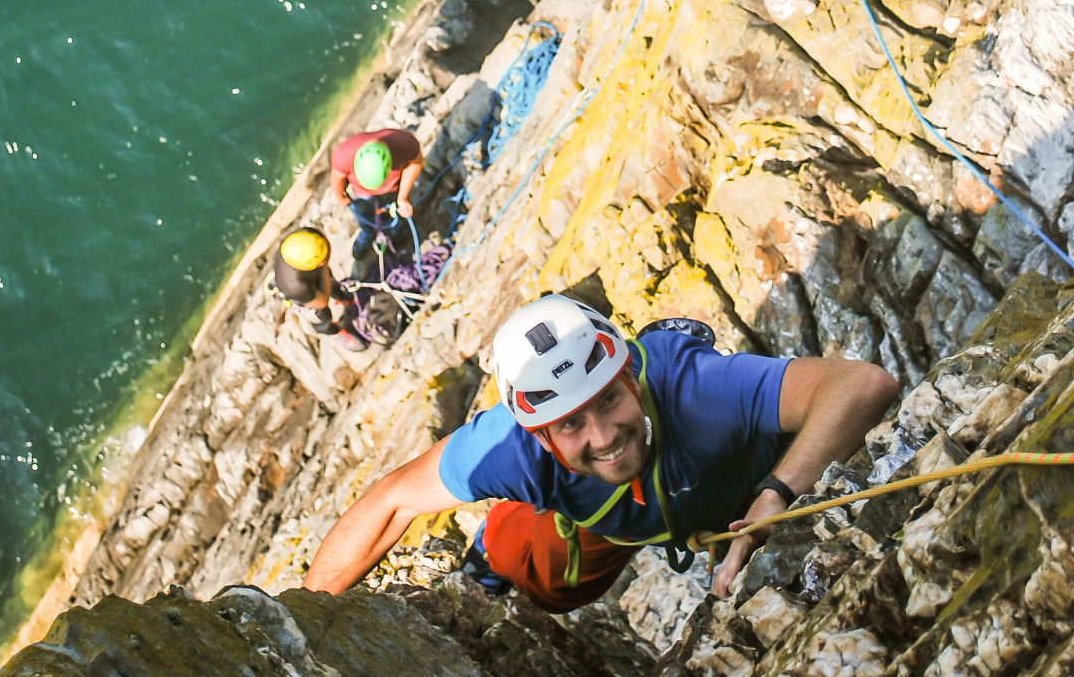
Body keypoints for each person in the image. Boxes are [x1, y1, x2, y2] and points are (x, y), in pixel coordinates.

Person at [303, 294, 899, 609]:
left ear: (633, 380)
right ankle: (494, 539)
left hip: (726, 490)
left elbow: (860, 385)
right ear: (536, 435)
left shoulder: (695, 391)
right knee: (550, 584)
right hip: (603, 514)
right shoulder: (506, 449)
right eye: (570, 424)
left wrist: (778, 493)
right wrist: (300, 618)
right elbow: (390, 501)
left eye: (610, 401)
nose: (604, 434)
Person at [328, 128, 424, 259]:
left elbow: (415, 163)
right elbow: (337, 176)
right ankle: (367, 233)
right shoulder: (344, 154)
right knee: (364, 217)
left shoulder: (404, 143)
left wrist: (402, 197)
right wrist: (339, 197)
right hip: (360, 194)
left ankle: (396, 231)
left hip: (392, 191)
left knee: (393, 216)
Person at [273, 228, 369, 352]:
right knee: (321, 318)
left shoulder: (301, 239)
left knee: (332, 283)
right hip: (305, 297)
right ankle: (336, 333)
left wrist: (324, 267)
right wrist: (324, 267)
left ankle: (345, 298)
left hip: (313, 271)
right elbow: (321, 302)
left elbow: (321, 238)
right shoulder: (295, 287)